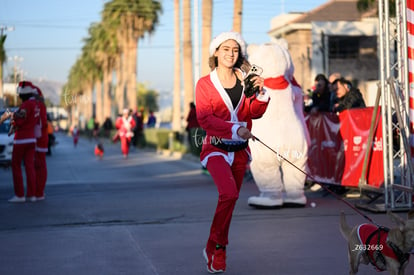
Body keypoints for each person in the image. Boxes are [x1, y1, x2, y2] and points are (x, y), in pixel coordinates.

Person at [196, 31, 269, 273]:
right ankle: (220, 247)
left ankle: (211, 244)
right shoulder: (204, 84)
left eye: (235, 50)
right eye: (225, 48)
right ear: (215, 52)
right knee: (228, 194)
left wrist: (260, 94)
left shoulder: (244, 80)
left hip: (239, 151)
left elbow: (254, 112)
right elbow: (205, 119)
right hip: (215, 146)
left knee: (231, 199)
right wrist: (236, 129)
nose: (230, 53)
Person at [8, 81, 39, 203]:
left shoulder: (26, 105)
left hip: (21, 140)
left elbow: (20, 121)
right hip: (31, 139)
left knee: (16, 166)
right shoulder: (35, 104)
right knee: (30, 167)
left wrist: (13, 118)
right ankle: (32, 195)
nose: (19, 97)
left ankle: (19, 195)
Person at [33, 85, 48, 201]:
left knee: (40, 165)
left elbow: (41, 124)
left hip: (40, 140)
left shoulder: (39, 106)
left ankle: (39, 192)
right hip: (39, 139)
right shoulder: (40, 106)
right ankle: (37, 191)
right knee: (38, 166)